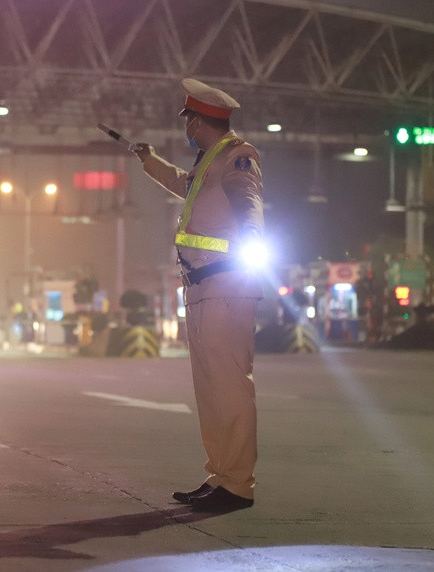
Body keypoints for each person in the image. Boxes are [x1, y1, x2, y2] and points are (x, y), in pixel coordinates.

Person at [132, 78, 264, 512]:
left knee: (230, 388)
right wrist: (150, 161)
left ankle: (238, 485)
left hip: (228, 286)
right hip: (202, 288)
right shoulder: (207, 162)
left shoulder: (237, 157)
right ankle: (220, 476)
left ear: (200, 120)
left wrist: (252, 239)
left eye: (188, 117)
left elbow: (250, 204)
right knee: (210, 390)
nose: (185, 125)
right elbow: (180, 181)